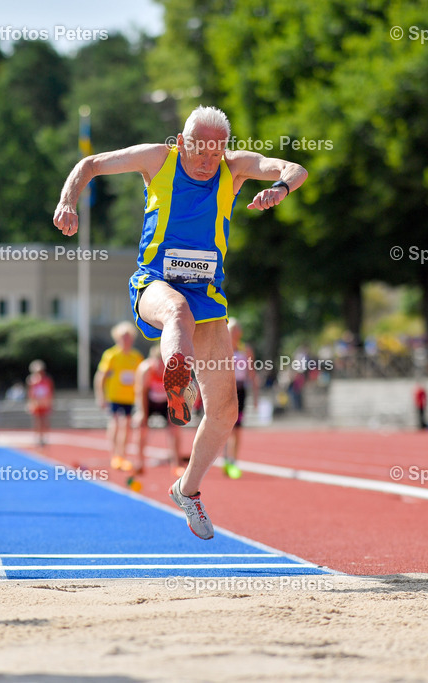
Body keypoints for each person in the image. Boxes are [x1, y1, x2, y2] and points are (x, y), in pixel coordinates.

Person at [54, 105, 307, 539]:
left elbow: (294, 168)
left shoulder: (234, 168)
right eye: (199, 150)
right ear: (181, 142)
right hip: (155, 282)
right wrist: (67, 201)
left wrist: (279, 189)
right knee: (176, 312)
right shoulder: (157, 159)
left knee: (225, 412)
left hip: (207, 294)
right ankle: (179, 381)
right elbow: (90, 164)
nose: (208, 161)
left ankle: (187, 489)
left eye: (215, 152)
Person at [94, 323, 144, 469]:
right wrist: (100, 396)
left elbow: (141, 378)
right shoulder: (111, 355)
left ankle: (122, 456)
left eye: (128, 337)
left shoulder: (137, 357)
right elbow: (101, 376)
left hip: (130, 397)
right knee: (115, 424)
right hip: (114, 396)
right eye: (123, 337)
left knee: (127, 426)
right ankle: (114, 455)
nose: (126, 339)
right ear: (117, 338)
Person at [133, 343, 187, 476]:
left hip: (166, 401)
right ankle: (140, 462)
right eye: (158, 363)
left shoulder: (173, 370)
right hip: (149, 400)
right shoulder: (145, 370)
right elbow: (141, 392)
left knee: (175, 427)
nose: (160, 367)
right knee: (141, 427)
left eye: (163, 364)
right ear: (152, 361)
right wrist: (143, 414)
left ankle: (176, 464)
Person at [222, 318, 258, 478]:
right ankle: (225, 459)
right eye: (232, 329)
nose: (235, 333)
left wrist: (256, 396)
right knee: (225, 428)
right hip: (224, 391)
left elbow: (252, 373)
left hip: (240, 391)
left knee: (237, 429)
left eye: (237, 329)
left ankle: (233, 461)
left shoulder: (246, 350)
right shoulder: (222, 348)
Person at [26, 360, 54, 447]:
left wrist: (50, 402)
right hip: (36, 403)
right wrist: (31, 403)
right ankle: (38, 438)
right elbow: (30, 393)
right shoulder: (32, 380)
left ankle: (44, 437)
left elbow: (50, 391)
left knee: (44, 421)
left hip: (44, 403)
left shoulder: (47, 380)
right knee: (37, 421)